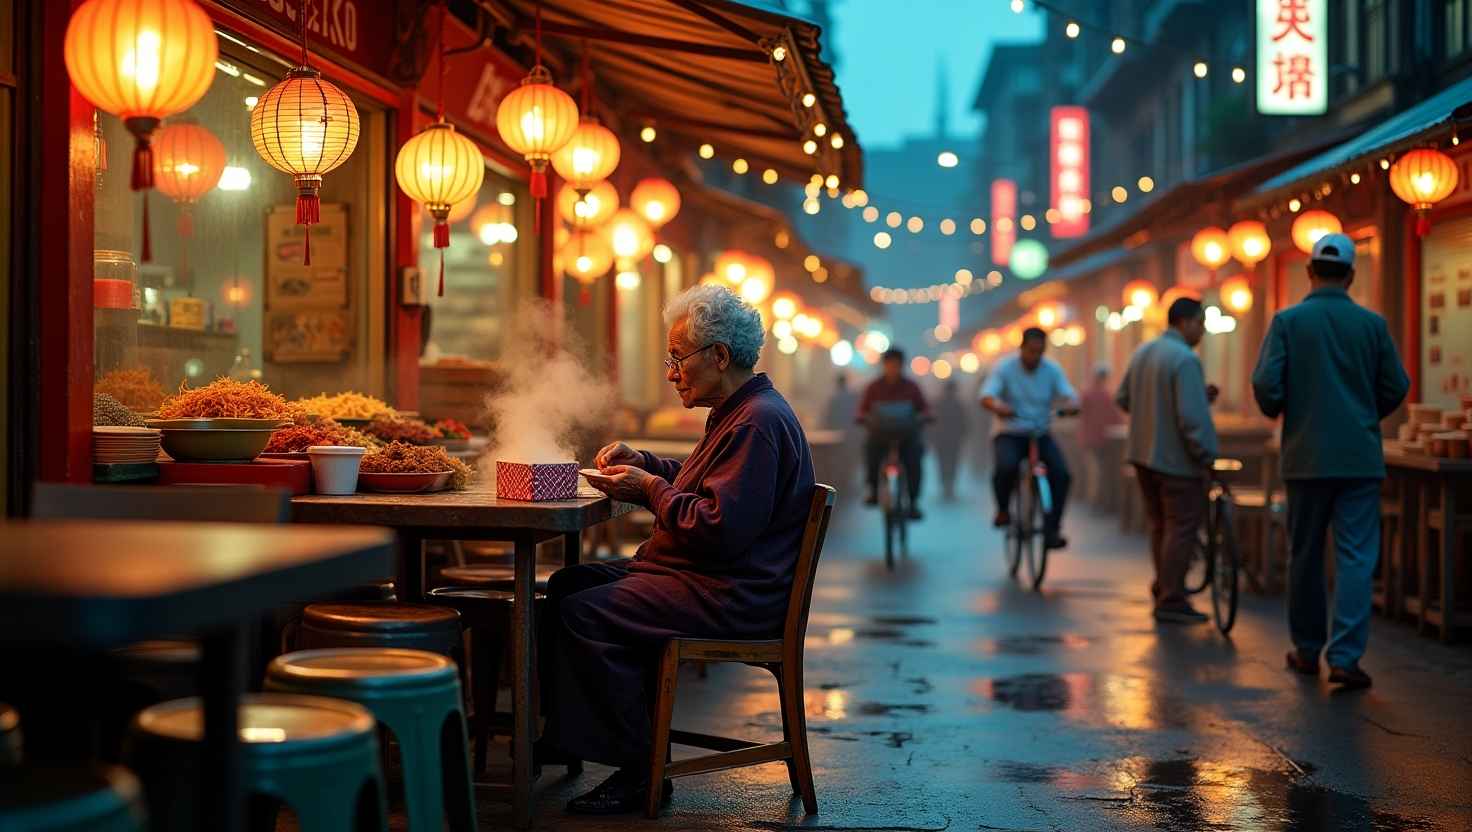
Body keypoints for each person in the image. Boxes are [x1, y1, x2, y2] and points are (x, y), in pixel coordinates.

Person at [547, 284, 816, 813]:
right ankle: (566, 739)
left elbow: (718, 527)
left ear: (719, 355)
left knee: (586, 614)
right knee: (568, 584)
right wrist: (647, 464)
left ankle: (637, 770)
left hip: (731, 592)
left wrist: (647, 489)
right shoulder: (743, 411)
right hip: (704, 578)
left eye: (677, 358)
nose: (671, 373)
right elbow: (703, 483)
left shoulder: (758, 422)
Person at [1252, 233, 1409, 689]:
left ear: (1310, 271)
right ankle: (1345, 657)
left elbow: (1266, 383)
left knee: (1305, 554)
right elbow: (1397, 384)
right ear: (1351, 275)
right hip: (1360, 457)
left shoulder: (1288, 321)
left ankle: (1305, 649)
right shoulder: (1373, 326)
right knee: (1357, 556)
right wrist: (1365, 415)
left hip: (1305, 457)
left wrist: (1283, 411)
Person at [1115, 298, 1219, 623]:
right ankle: (1172, 597)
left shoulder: (1143, 352)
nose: (1202, 331)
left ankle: (1164, 585)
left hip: (1143, 456)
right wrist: (1206, 455)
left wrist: (1154, 412)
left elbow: (1123, 398)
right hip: (1175, 460)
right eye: (1200, 324)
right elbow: (1190, 419)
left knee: (1160, 523)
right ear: (1185, 322)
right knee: (1182, 525)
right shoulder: (1185, 359)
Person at [980, 327, 1079, 550]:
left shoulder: (1051, 370)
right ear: (1022, 348)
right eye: (1031, 351)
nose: (1035, 356)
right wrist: (999, 407)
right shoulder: (1004, 368)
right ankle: (1003, 510)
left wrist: (1072, 405)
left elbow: (1069, 394)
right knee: (1006, 467)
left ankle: (1052, 528)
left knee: (1062, 474)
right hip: (1010, 431)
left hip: (1040, 430)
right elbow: (987, 395)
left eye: (1040, 352)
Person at [857, 348, 930, 518]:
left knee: (914, 459)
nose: (893, 368)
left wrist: (926, 416)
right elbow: (862, 409)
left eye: (896, 365)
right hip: (879, 435)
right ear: (884, 365)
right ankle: (873, 491)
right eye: (889, 364)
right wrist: (862, 418)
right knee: (870, 452)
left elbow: (924, 407)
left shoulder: (912, 387)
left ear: (901, 365)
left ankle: (913, 502)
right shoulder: (873, 387)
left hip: (907, 436)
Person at [1078, 363, 1123, 502]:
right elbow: (1116, 417)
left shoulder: (1088, 394)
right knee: (1098, 471)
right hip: (1100, 439)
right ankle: (1098, 500)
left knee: (1095, 471)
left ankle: (1096, 499)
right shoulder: (1106, 396)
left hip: (1092, 439)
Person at [932, 379, 969, 500]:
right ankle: (949, 486)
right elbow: (965, 424)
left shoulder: (938, 403)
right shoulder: (958, 405)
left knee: (945, 463)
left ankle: (947, 485)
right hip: (951, 440)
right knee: (951, 463)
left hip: (944, 440)